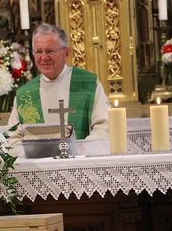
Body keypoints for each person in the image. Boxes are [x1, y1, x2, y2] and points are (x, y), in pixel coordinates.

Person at [7, 23, 110, 153]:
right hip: (40, 170)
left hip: (81, 166)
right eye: (39, 51)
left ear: (66, 53)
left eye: (50, 51)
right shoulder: (25, 94)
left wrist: (83, 149)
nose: (44, 57)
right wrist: (31, 153)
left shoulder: (88, 85)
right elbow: (12, 139)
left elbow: (104, 127)